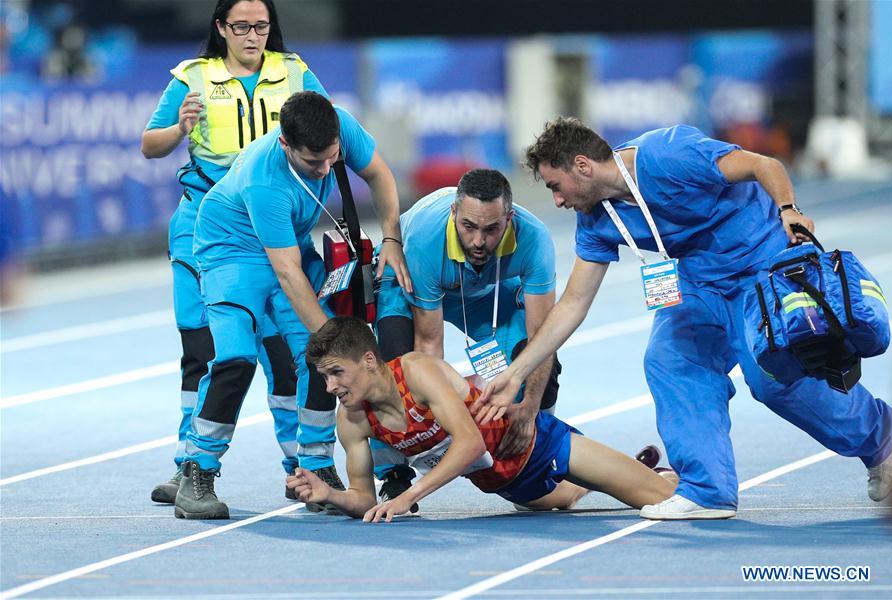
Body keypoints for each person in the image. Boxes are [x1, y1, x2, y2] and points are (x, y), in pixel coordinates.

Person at [474, 117, 892, 520]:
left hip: (761, 268)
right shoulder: (596, 219)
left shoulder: (668, 153)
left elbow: (762, 164)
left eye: (556, 186)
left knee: (773, 381)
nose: (557, 200)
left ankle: (884, 438)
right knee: (670, 361)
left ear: (582, 166)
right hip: (698, 282)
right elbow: (572, 304)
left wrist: (788, 207)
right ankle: (706, 491)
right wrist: (518, 373)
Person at [173, 91, 411, 519]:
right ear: (285, 145)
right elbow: (287, 273)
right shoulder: (266, 181)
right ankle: (197, 468)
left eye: (330, 159)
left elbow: (380, 175)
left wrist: (391, 238)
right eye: (312, 163)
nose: (325, 170)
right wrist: (338, 343)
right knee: (237, 357)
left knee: (318, 359)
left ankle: (315, 466)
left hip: (290, 246)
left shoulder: (338, 124)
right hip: (230, 249)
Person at [141, 0, 328, 505]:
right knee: (207, 349)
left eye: (261, 26)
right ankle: (189, 463)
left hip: (276, 227)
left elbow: (331, 133)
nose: (252, 36)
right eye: (241, 26)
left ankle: (303, 467)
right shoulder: (193, 77)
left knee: (290, 352)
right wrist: (179, 128)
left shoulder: (295, 73)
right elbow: (149, 145)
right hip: (208, 226)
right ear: (221, 28)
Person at [287, 316, 677, 521]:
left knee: (658, 500)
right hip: (502, 483)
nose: (330, 385)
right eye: (324, 376)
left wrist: (408, 496)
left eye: (335, 372)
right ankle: (600, 480)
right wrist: (332, 496)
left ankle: (660, 478)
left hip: (538, 446)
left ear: (369, 360)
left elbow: (470, 443)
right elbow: (363, 499)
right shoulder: (353, 420)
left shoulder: (417, 372)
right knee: (560, 501)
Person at [372, 169, 561, 505]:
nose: (478, 241)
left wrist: (529, 408)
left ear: (509, 218)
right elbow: (429, 348)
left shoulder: (534, 240)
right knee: (395, 372)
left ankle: (537, 453)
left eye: (491, 230)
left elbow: (542, 336)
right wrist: (449, 436)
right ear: (453, 213)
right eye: (469, 227)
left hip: (486, 290)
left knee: (542, 368)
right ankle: (395, 475)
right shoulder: (426, 240)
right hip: (412, 280)